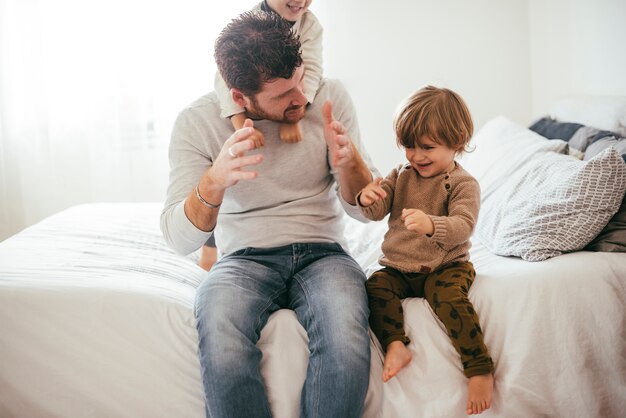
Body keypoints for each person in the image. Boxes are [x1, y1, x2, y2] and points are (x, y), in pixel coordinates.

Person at [160, 10, 378, 418]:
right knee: (219, 326)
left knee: (346, 338)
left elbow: (367, 211)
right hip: (244, 258)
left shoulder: (328, 97)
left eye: (300, 81)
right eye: (283, 95)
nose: (301, 98)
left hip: (324, 253)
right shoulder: (197, 122)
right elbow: (178, 239)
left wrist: (350, 164)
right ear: (239, 97)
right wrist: (213, 182)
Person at [356, 86, 495, 415]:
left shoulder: (463, 183)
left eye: (427, 148)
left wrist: (433, 225)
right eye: (408, 146)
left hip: (446, 265)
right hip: (401, 266)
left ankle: (479, 368)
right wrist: (367, 199)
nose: (416, 156)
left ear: (456, 142)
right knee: (375, 287)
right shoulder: (400, 175)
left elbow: (464, 224)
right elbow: (377, 212)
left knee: (448, 298)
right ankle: (395, 345)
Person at [200, 0, 323, 271]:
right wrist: (240, 121)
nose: (301, 1)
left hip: (284, 106)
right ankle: (210, 245)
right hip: (243, 112)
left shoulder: (310, 25)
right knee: (222, 172)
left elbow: (311, 70)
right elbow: (225, 81)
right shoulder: (249, 26)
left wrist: (295, 113)